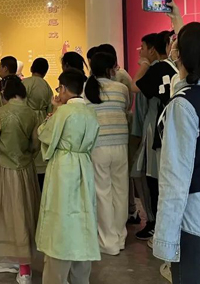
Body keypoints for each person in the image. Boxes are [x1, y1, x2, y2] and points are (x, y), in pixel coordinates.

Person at [153, 22, 200, 284]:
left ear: (183, 52)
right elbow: (183, 80)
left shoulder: (182, 106)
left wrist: (165, 239)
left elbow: (175, 177)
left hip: (190, 216)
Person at [37, 69, 100, 284]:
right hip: (84, 165)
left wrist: (54, 110)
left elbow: (44, 134)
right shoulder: (91, 113)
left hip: (64, 167)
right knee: (83, 218)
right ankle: (80, 276)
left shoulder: (63, 112)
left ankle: (57, 276)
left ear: (63, 88)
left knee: (60, 220)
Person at [0, 75, 41, 283]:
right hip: (26, 170)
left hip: (4, 168)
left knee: (6, 213)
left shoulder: (0, 113)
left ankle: (13, 260)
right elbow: (36, 143)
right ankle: (24, 264)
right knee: (24, 212)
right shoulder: (32, 114)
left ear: (5, 94)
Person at [131, 33, 177, 240]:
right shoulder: (174, 68)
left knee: (153, 176)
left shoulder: (157, 69)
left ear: (151, 49)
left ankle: (157, 225)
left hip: (156, 128)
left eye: (142, 48)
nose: (140, 52)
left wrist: (144, 64)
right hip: (168, 128)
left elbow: (135, 86)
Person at [84, 52, 131, 255]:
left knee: (102, 193)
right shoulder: (121, 88)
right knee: (121, 191)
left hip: (98, 146)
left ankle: (107, 241)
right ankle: (120, 237)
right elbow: (126, 108)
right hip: (120, 144)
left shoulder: (86, 89)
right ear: (110, 69)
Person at [22, 58, 54, 190]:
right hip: (42, 120)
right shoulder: (47, 86)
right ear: (45, 72)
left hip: (27, 119)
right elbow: (51, 109)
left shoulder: (25, 83)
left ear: (31, 68)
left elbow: (21, 104)